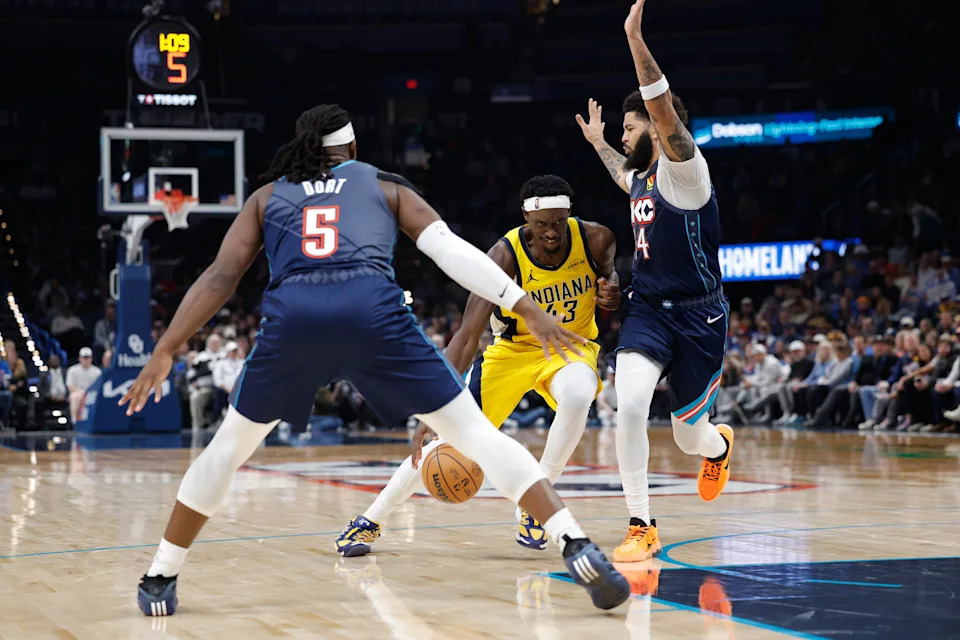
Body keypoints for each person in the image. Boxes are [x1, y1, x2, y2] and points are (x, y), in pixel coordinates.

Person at [122, 104, 629, 617]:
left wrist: (166, 349)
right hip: (373, 317)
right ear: (353, 150)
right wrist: (523, 305)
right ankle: (573, 542)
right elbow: (448, 250)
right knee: (477, 436)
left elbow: (220, 277)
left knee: (226, 450)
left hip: (294, 324)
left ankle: (161, 575)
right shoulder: (382, 184)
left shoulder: (266, 197)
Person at [336, 174, 620, 554]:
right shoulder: (503, 257)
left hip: (569, 347)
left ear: (569, 215)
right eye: (540, 225)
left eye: (557, 223)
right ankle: (370, 520)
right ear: (525, 218)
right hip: (511, 351)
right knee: (445, 438)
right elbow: (468, 335)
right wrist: (434, 406)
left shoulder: (596, 238)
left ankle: (536, 504)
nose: (550, 233)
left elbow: (609, 278)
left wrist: (611, 289)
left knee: (579, 394)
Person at [574, 0, 734, 563]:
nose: (624, 133)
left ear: (656, 128)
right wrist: (597, 141)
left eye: (628, 125)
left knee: (690, 436)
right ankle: (642, 522)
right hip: (649, 311)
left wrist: (635, 40)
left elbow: (663, 110)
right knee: (629, 400)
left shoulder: (686, 171)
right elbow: (621, 173)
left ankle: (717, 445)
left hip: (700, 314)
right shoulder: (641, 179)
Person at [66, 347, 101, 424]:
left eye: (88, 358)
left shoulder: (97, 372)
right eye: (84, 358)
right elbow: (70, 386)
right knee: (74, 396)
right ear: (80, 358)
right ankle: (74, 420)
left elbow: (99, 387)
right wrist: (82, 392)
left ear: (91, 358)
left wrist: (88, 393)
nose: (86, 360)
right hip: (78, 394)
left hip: (92, 394)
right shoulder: (72, 370)